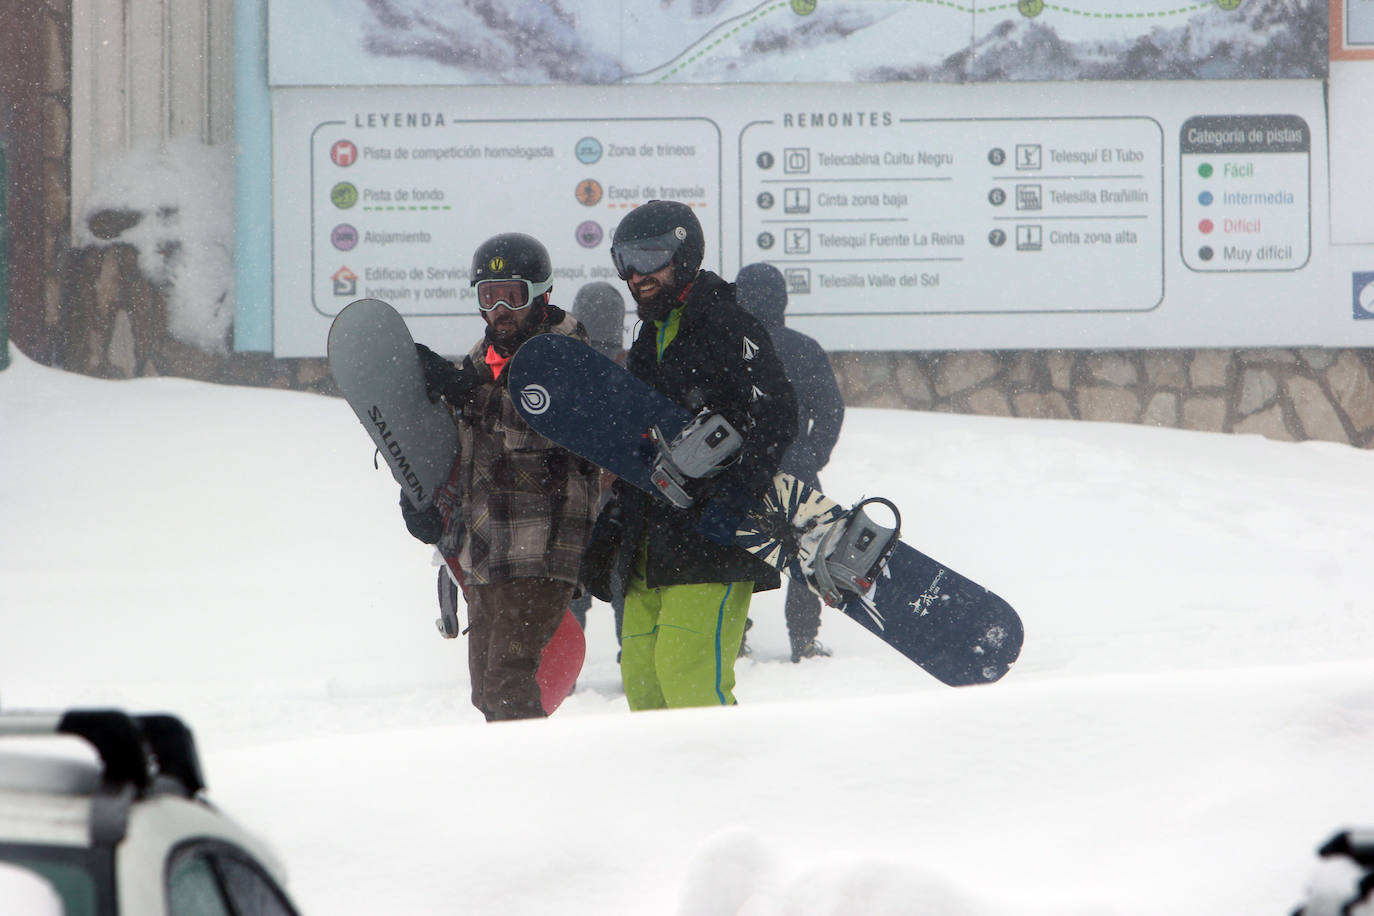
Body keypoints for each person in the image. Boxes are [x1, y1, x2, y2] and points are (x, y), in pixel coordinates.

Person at [583, 200, 798, 709]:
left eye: (650, 257)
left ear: (685, 255)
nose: (636, 275)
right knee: (643, 683)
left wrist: (736, 493)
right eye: (625, 261)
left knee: (689, 681)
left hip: (709, 545)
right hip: (649, 544)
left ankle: (718, 785)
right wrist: (610, 528)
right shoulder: (647, 341)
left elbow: (778, 413)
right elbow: (639, 446)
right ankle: (663, 790)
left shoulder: (727, 323)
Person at [400, 232, 601, 721]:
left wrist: (467, 393)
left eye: (513, 295)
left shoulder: (565, 351)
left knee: (510, 685)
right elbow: (465, 454)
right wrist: (425, 497)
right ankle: (504, 784)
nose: (500, 310)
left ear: (542, 294)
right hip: (488, 554)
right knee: (487, 692)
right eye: (488, 296)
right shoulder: (479, 362)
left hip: (541, 549)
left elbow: (532, 430)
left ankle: (526, 788)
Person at [736, 262, 846, 663]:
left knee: (737, 554)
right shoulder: (804, 348)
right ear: (782, 299)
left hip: (739, 470)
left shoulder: (728, 346)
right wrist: (811, 452)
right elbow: (831, 410)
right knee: (806, 555)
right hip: (797, 468)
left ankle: (734, 636)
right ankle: (803, 639)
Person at [569, 282, 629, 650]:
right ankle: (635, 668)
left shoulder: (564, 369)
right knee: (625, 592)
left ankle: (562, 673)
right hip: (619, 506)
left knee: (572, 595)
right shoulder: (631, 367)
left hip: (574, 504)